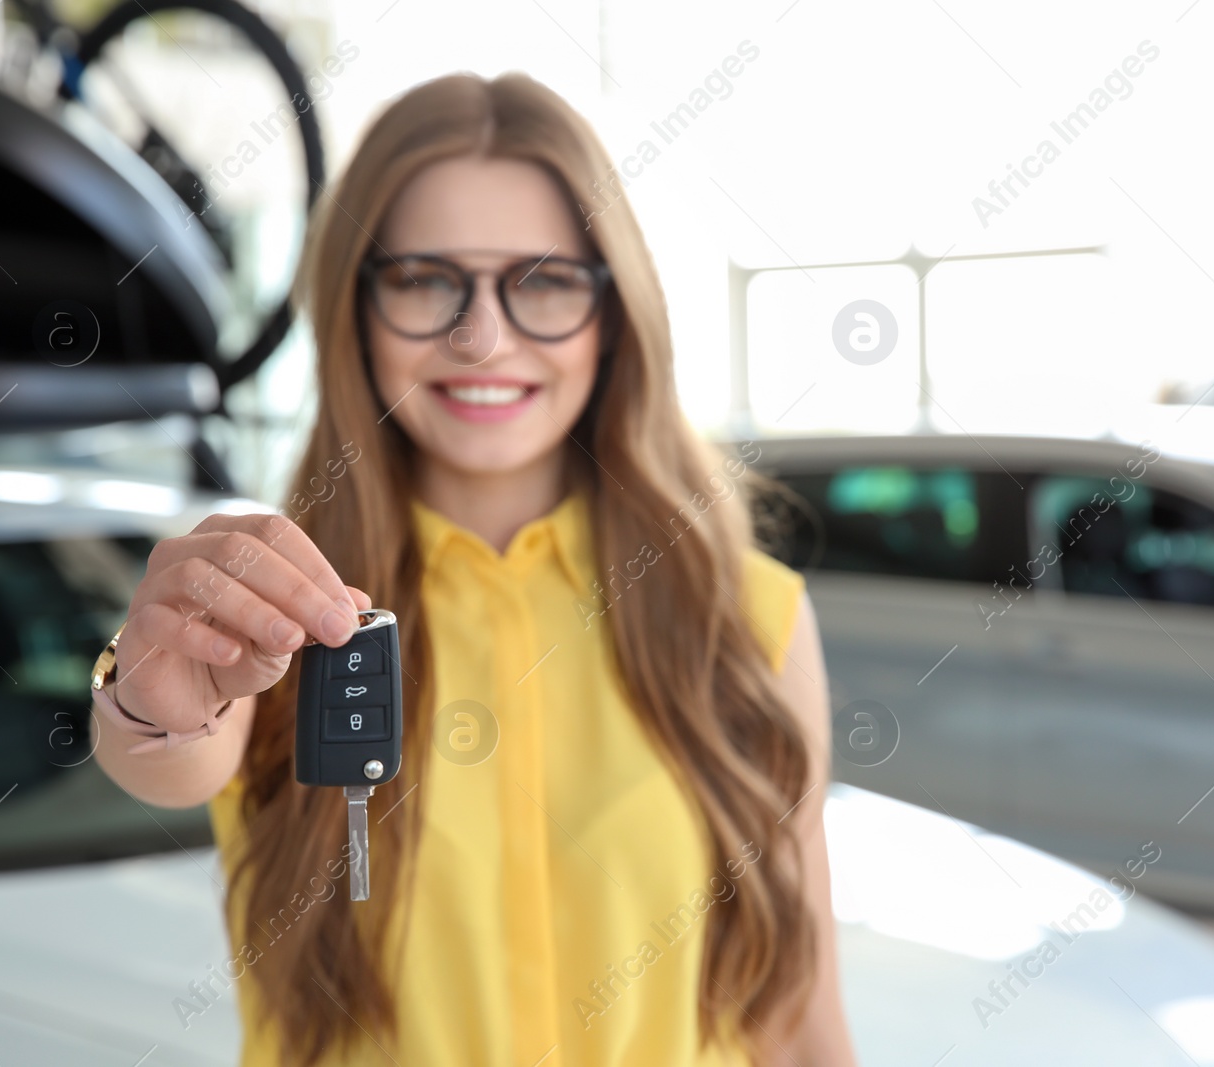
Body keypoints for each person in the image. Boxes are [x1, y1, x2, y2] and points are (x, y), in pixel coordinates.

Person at [91, 70, 855, 1067]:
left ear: (613, 309)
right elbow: (169, 751)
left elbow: (795, 1021)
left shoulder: (747, 614)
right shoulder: (277, 597)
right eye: (423, 277)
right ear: (354, 304)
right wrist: (149, 697)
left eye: (542, 279)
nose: (482, 335)